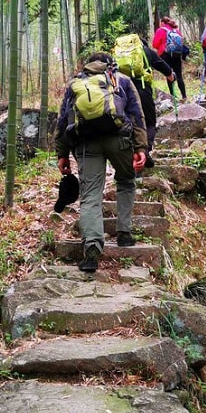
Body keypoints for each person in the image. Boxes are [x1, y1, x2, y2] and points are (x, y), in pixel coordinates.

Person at [54, 52, 148, 272]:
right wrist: (141, 147)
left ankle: (92, 249)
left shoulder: (76, 84)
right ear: (109, 64)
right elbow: (136, 113)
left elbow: (62, 120)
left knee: (90, 196)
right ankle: (124, 233)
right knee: (126, 181)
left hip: (87, 144)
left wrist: (62, 153)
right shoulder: (121, 79)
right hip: (119, 140)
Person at [114, 33, 174, 168]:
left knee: (127, 121)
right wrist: (171, 75)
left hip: (123, 92)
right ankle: (145, 151)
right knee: (149, 121)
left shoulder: (119, 55)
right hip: (142, 90)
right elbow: (163, 66)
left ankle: (131, 154)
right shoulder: (146, 51)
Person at [152, 16, 188, 101]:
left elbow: (155, 44)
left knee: (169, 74)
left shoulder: (161, 30)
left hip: (165, 54)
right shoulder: (177, 31)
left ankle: (173, 96)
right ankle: (184, 96)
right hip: (177, 54)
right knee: (179, 75)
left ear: (162, 23)